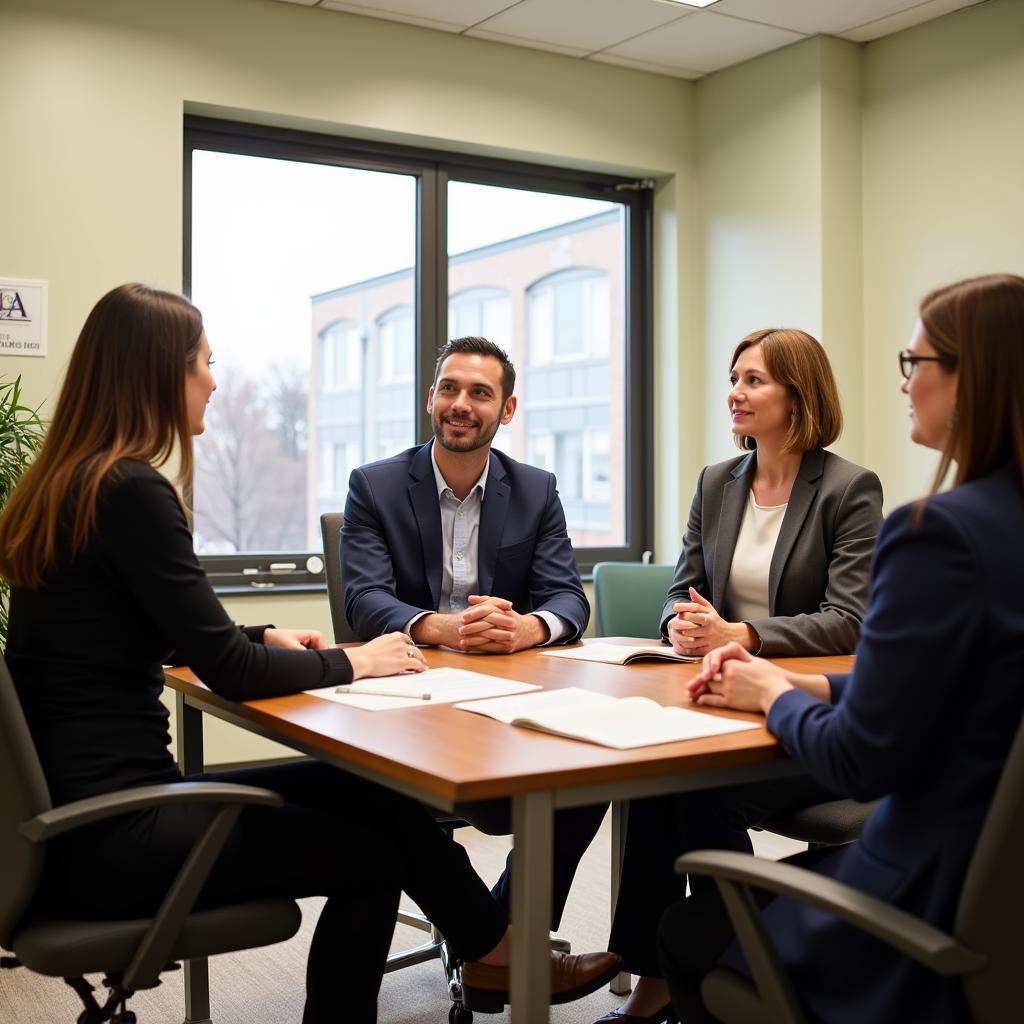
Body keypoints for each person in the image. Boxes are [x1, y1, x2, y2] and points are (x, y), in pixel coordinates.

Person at [0, 285, 621, 1024]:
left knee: (375, 792)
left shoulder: (69, 483)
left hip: (84, 813)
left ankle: (494, 953)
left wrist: (262, 637)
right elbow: (230, 674)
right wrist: (355, 661)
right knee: (373, 852)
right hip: (116, 837)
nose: (213, 379)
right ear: (158, 372)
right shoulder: (131, 492)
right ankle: (492, 958)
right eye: (204, 361)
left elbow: (155, 632)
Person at [657, 273, 1024, 1024]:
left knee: (685, 928)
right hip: (1002, 884)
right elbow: (968, 685)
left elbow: (861, 760)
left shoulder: (939, 532)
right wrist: (823, 689)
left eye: (915, 365)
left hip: (928, 893)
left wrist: (774, 692)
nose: (904, 385)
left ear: (971, 376)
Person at [599, 328, 883, 1023]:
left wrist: (747, 635)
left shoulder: (848, 489)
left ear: (798, 394)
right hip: (717, 696)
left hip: (806, 709)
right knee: (647, 775)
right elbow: (682, 585)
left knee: (696, 795)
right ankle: (657, 979)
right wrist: (680, 624)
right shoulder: (717, 483)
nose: (735, 391)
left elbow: (849, 617)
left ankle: (730, 965)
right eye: (734, 377)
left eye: (754, 379)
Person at [340, 335, 606, 931]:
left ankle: (504, 928)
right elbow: (363, 599)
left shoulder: (536, 489)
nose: (462, 403)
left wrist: (527, 628)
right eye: (451, 389)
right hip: (408, 696)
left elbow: (568, 597)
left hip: (508, 695)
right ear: (430, 398)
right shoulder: (374, 486)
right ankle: (486, 937)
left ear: (506, 410)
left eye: (480, 393)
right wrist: (445, 629)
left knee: (594, 771)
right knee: (379, 791)